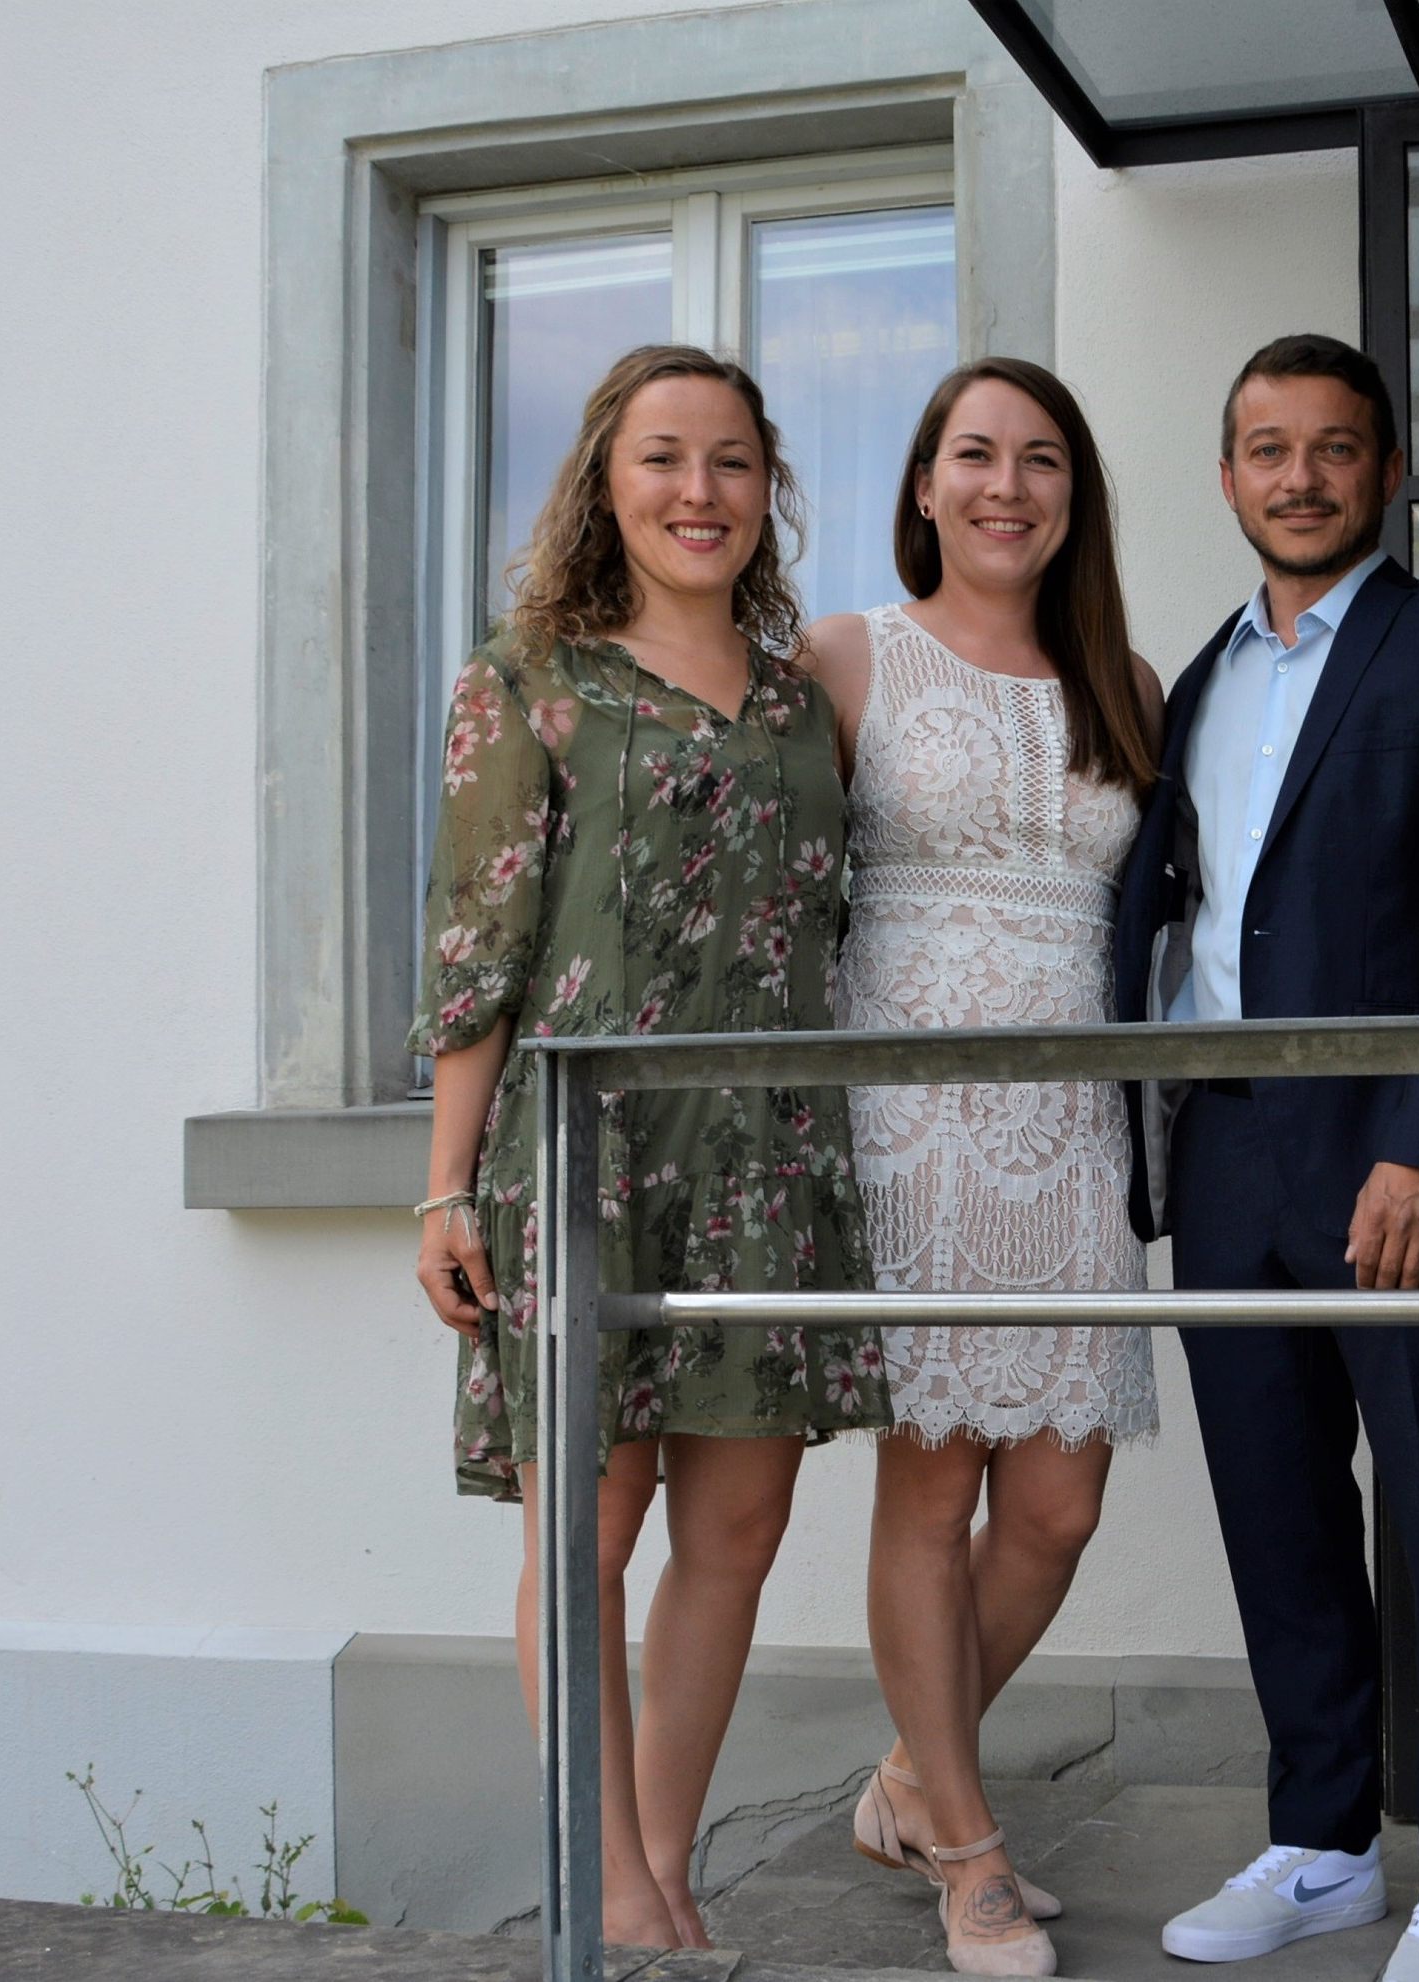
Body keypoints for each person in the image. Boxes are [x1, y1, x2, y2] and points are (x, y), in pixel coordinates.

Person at [409, 344, 888, 1952]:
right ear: (607, 481)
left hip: (771, 1158)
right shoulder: (529, 674)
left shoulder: (800, 692)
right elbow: (480, 948)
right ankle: (606, 1887)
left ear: (769, 489)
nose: (701, 491)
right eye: (666, 457)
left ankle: (666, 1868)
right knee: (588, 1538)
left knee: (737, 1533)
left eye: (733, 461)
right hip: (586, 1167)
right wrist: (444, 1186)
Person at [1112, 333, 1419, 1982]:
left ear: (1381, 468)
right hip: (1225, 1146)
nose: (1299, 475)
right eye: (1266, 448)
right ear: (1226, 475)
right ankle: (1321, 1840)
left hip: (1385, 1146)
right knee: (1274, 1505)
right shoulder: (1196, 675)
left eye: (1333, 446)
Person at [809, 356, 1164, 1979]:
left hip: (1072, 1128)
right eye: (973, 455)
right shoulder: (844, 656)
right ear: (925, 484)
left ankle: (902, 1779)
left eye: (1037, 459)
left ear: (1072, 494)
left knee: (1060, 1499)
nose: (1004, 484)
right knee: (933, 1473)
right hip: (913, 1124)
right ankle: (966, 1848)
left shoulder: (1126, 685)